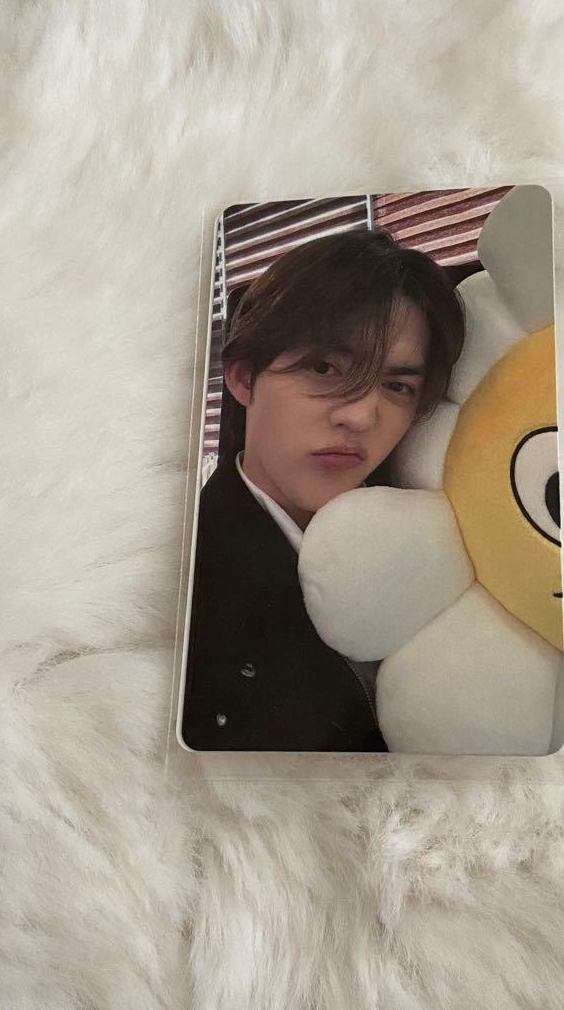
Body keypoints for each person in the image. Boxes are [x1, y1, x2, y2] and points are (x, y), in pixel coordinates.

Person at [180, 227, 466, 752]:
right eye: (324, 367)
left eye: (397, 385)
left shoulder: (446, 549)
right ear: (243, 377)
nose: (361, 415)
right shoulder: (180, 585)